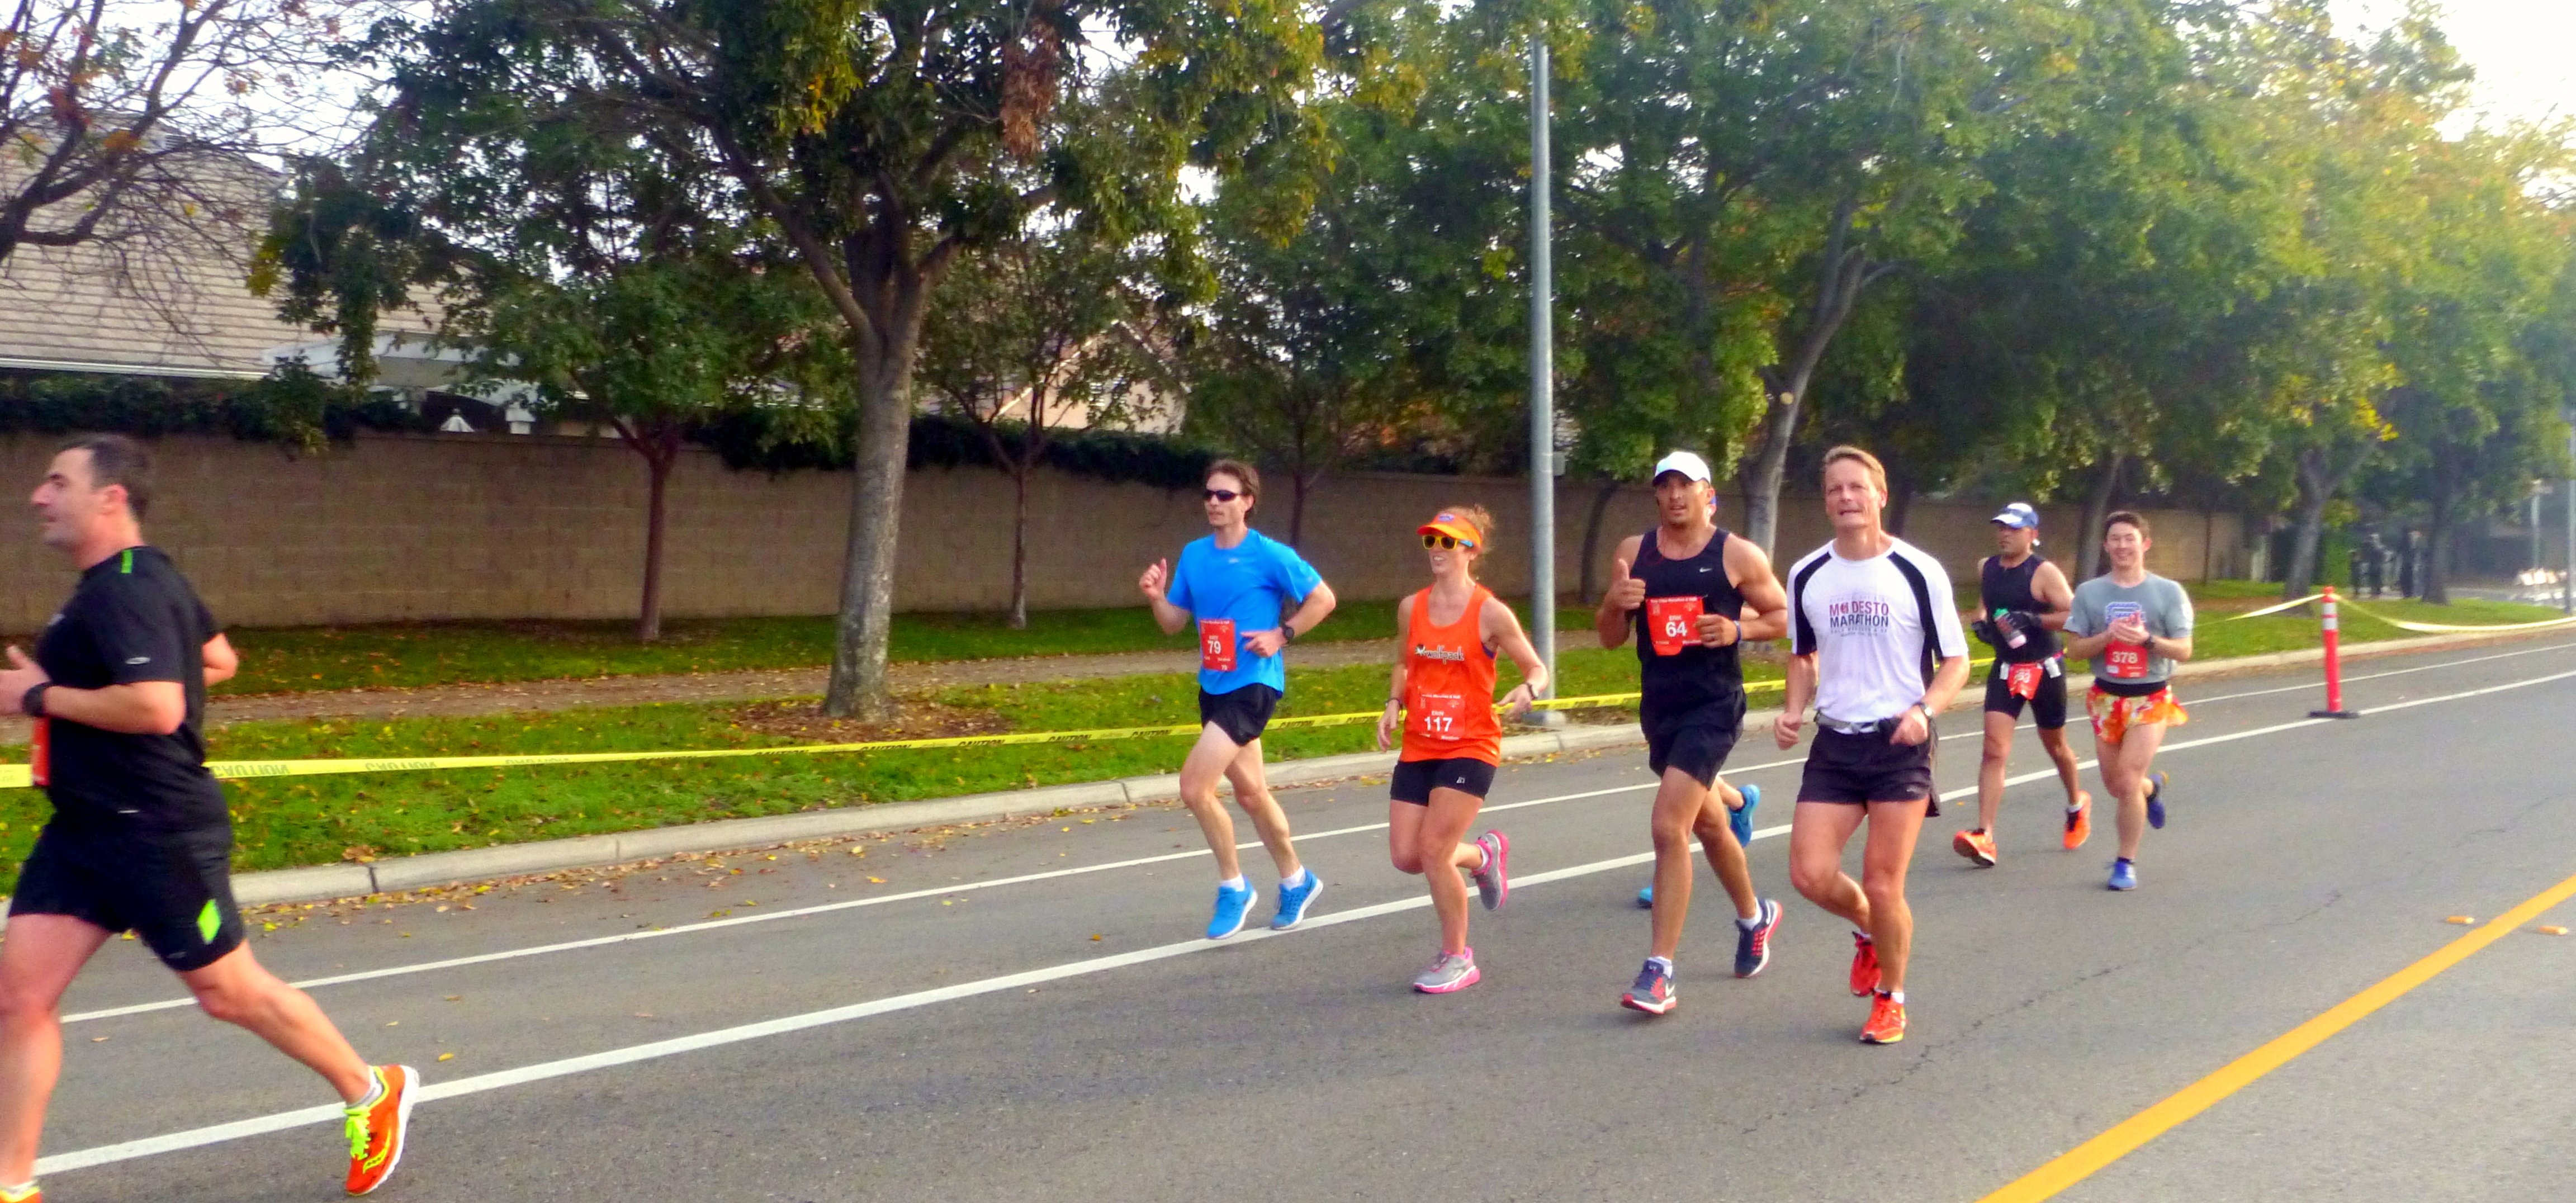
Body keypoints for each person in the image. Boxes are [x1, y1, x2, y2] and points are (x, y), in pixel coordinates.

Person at [0, 435, 416, 1201]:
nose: (38, 497)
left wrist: (35, 697)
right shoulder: (136, 581)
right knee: (20, 999)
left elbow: (158, 707)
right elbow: (218, 659)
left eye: (57, 482)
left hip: (155, 829)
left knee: (228, 993)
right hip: (85, 830)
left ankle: (371, 1088)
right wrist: (68, 684)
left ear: (110, 498)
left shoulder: (126, 587)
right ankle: (12, 1182)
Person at [1775, 446, 1972, 1046]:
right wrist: (1791, 709)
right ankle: (1869, 930)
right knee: (1809, 874)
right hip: (1835, 741)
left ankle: (1892, 996)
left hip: (1898, 743)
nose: (1846, 497)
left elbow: (1957, 661)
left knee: (1885, 882)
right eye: (1835, 489)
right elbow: (1803, 656)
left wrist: (1924, 711)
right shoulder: (1808, 574)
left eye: (1857, 487)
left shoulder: (1918, 570)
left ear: (1880, 495)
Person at [1595, 451, 1790, 1016]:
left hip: (1713, 705)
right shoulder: (1635, 553)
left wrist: (1737, 627)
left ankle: (1660, 971)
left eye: (1687, 484)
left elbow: (1784, 616)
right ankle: (1756, 918)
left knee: (1668, 826)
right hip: (1661, 708)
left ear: (1708, 493)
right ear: (1656, 494)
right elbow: (1609, 637)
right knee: (1708, 824)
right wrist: (1614, 603)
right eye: (1666, 485)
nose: (1676, 494)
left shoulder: (1735, 553)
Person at [1140, 458, 1338, 939]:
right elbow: (1173, 623)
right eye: (1209, 494)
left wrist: (1281, 634)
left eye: (1225, 495)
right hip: (1214, 687)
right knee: (1250, 794)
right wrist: (1156, 596)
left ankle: (1235, 887)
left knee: (1194, 788)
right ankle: (1298, 879)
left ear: (1247, 502)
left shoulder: (1270, 555)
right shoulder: (1195, 555)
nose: (1213, 502)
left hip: (1254, 686)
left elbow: (1324, 599)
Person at [1375, 506, 1549, 993]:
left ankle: (1458, 957)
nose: (1436, 549)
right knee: (1407, 856)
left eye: (1448, 542)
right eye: (1431, 540)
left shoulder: (1490, 612)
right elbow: (1403, 663)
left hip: (1471, 744)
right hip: (1420, 745)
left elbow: (1537, 668)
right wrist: (1393, 702)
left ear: (1470, 550)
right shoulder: (1412, 607)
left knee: (1433, 851)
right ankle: (1482, 857)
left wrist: (1528, 690)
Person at [2059, 510, 2194, 892]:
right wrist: (2106, 637)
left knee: (2127, 778)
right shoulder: (2090, 593)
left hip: (2150, 697)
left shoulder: (2167, 592)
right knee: (2118, 787)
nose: (2122, 546)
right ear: (2106, 546)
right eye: (2115, 539)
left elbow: (2184, 651)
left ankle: (2125, 862)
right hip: (2107, 698)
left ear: (2145, 544)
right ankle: (2152, 790)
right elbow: (2073, 649)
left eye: (2129, 538)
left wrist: (2148, 641)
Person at [1954, 503, 2090, 868]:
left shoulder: (2044, 573)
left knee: (2056, 745)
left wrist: (2033, 619)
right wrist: (1981, 622)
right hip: (2007, 668)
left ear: (2033, 534)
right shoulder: (1987, 568)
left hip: (2045, 669)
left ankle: (2077, 804)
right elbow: (1986, 601)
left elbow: (2075, 617)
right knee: (1994, 750)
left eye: (2013, 529)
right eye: (2000, 527)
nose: (2004, 534)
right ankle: (1985, 835)